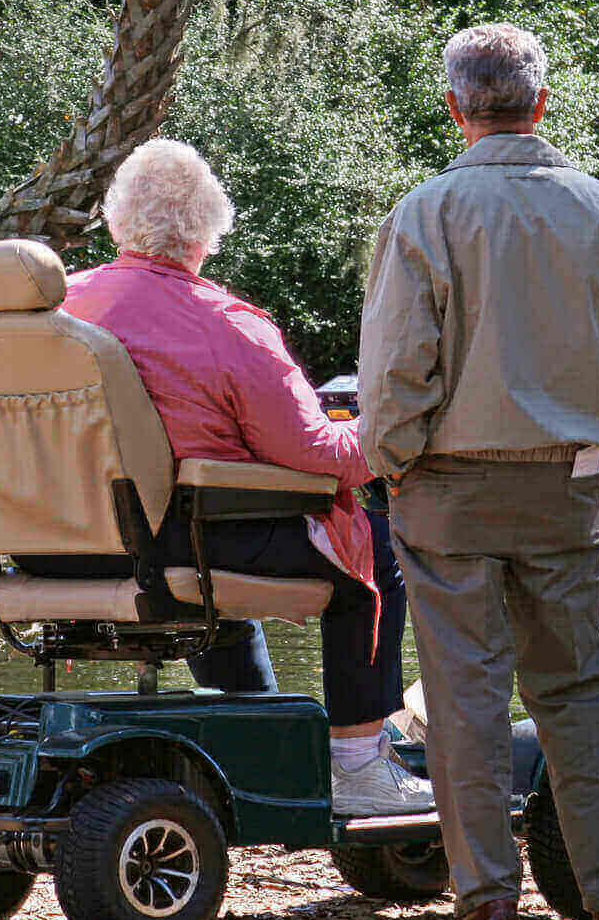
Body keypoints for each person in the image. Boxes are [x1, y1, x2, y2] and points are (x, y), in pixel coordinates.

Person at [358, 24, 599, 920]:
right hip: (564, 485)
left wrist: (398, 460)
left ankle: (487, 898)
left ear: (456, 107)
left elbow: (395, 375)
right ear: (541, 102)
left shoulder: (424, 213)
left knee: (464, 695)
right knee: (580, 692)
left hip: (448, 487)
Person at [63, 139, 431, 817]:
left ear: (116, 222)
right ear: (206, 232)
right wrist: (385, 426)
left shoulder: (56, 310)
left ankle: (257, 727)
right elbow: (321, 454)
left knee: (223, 542)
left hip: (53, 547)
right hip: (173, 542)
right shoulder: (229, 325)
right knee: (372, 550)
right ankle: (358, 762)